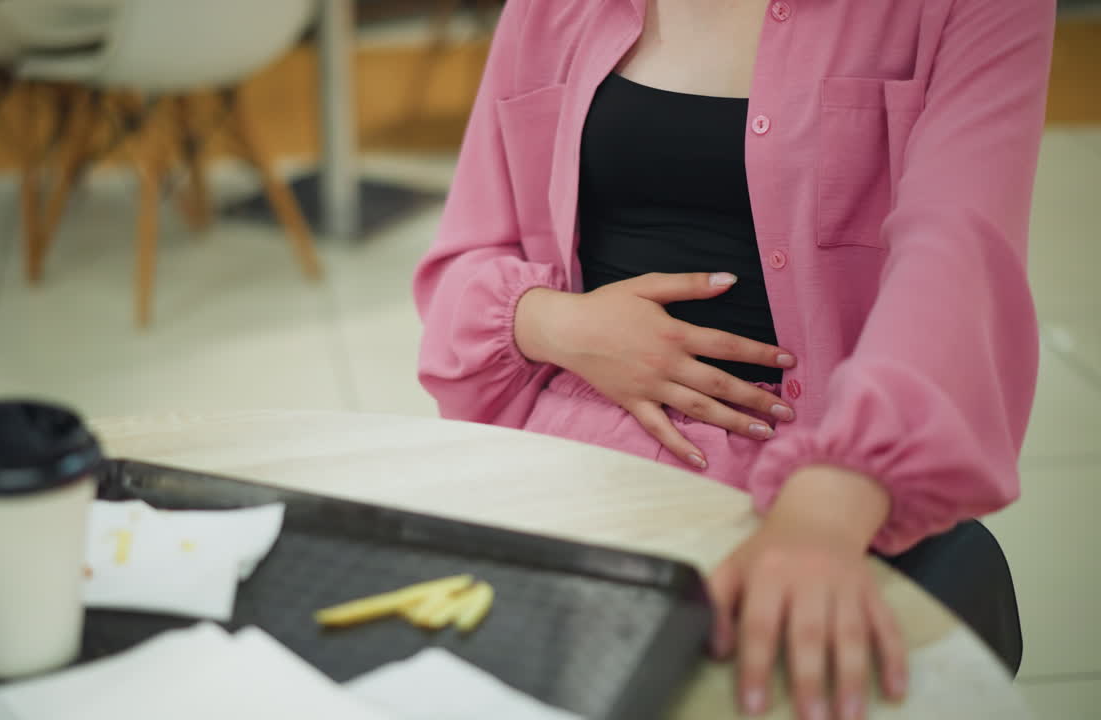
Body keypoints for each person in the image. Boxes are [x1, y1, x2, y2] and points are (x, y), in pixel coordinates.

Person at [413, 1, 1055, 718]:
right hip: (572, 455)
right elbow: (464, 259)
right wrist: (557, 322)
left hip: (824, 474)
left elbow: (958, 258)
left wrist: (830, 504)